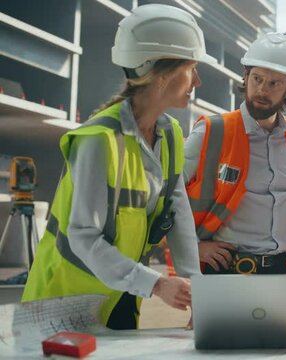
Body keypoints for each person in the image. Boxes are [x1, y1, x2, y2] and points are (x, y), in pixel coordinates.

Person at [22, 4, 215, 330]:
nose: (197, 80)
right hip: (64, 305)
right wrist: (156, 284)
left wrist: (199, 292)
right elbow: (84, 237)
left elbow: (179, 215)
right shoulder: (100, 139)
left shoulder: (169, 136)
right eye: (192, 68)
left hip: (120, 299)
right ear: (161, 72)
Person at [184, 33, 286, 275]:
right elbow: (169, 195)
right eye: (257, 79)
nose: (262, 90)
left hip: (284, 268)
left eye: (274, 83)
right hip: (228, 268)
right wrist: (195, 246)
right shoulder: (212, 131)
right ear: (245, 76)